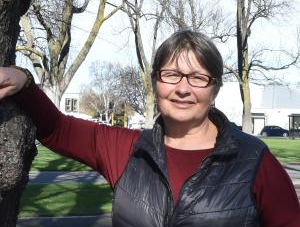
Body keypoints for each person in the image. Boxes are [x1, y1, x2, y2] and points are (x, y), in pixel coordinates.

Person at [0, 30, 299, 226]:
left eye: (197, 77)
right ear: (155, 82)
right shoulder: (126, 150)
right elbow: (58, 129)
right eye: (171, 74)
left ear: (215, 89)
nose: (183, 88)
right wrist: (24, 82)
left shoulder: (255, 161)